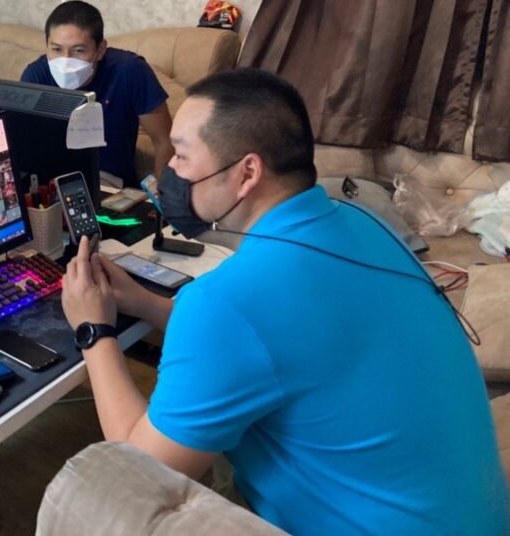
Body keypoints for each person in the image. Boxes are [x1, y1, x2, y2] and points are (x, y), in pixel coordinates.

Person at [60, 68, 508, 535]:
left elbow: (140, 470)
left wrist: (94, 329)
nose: (170, 168)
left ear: (247, 173)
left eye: (183, 155)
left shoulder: (225, 303)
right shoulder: (365, 222)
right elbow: (269, 341)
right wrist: (145, 302)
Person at [20, 0, 173, 186]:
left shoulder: (130, 71)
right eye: (56, 49)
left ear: (100, 50)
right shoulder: (36, 75)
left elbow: (164, 140)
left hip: (106, 182)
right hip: (49, 180)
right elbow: (23, 144)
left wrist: (164, 198)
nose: (65, 61)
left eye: (78, 50)